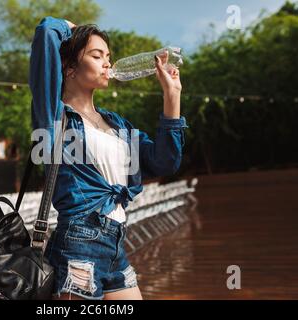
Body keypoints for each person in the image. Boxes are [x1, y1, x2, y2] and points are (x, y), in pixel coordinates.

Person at [29, 16, 187, 300]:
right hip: (78, 243)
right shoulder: (54, 117)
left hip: (116, 243)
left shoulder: (117, 124)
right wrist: (73, 29)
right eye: (96, 55)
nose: (107, 63)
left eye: (108, 56)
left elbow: (165, 162)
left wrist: (171, 96)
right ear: (69, 68)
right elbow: (45, 32)